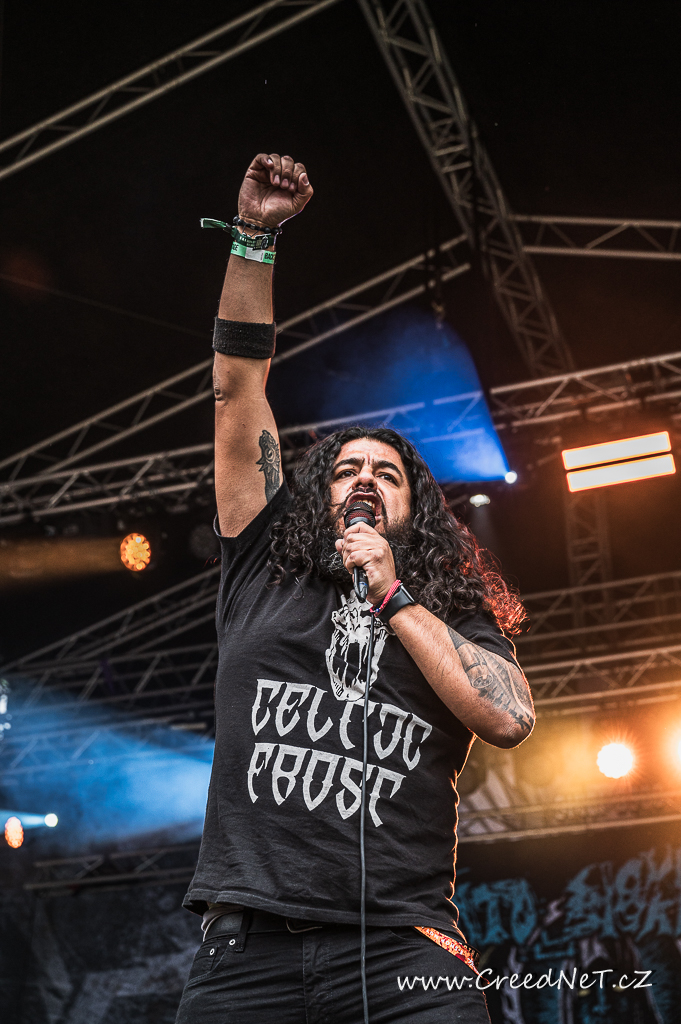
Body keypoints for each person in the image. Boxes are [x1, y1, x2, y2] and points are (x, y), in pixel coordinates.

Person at [175, 153, 535, 1024]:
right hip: (247, 950)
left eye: (387, 473)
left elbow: (508, 718)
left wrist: (394, 596)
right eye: (345, 470)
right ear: (318, 495)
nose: (364, 478)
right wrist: (254, 236)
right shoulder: (264, 564)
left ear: (416, 510)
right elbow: (235, 389)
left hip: (403, 950)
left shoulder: (449, 611)